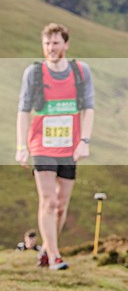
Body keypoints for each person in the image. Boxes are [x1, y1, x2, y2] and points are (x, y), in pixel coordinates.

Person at [16, 23, 95, 271]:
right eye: (47, 43)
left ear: (66, 44)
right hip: (41, 145)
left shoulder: (80, 71)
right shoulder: (34, 73)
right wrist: (22, 146)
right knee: (48, 201)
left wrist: (84, 141)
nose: (51, 48)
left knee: (61, 205)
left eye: (56, 43)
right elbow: (23, 111)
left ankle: (48, 249)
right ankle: (54, 256)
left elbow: (89, 108)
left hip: (69, 147)